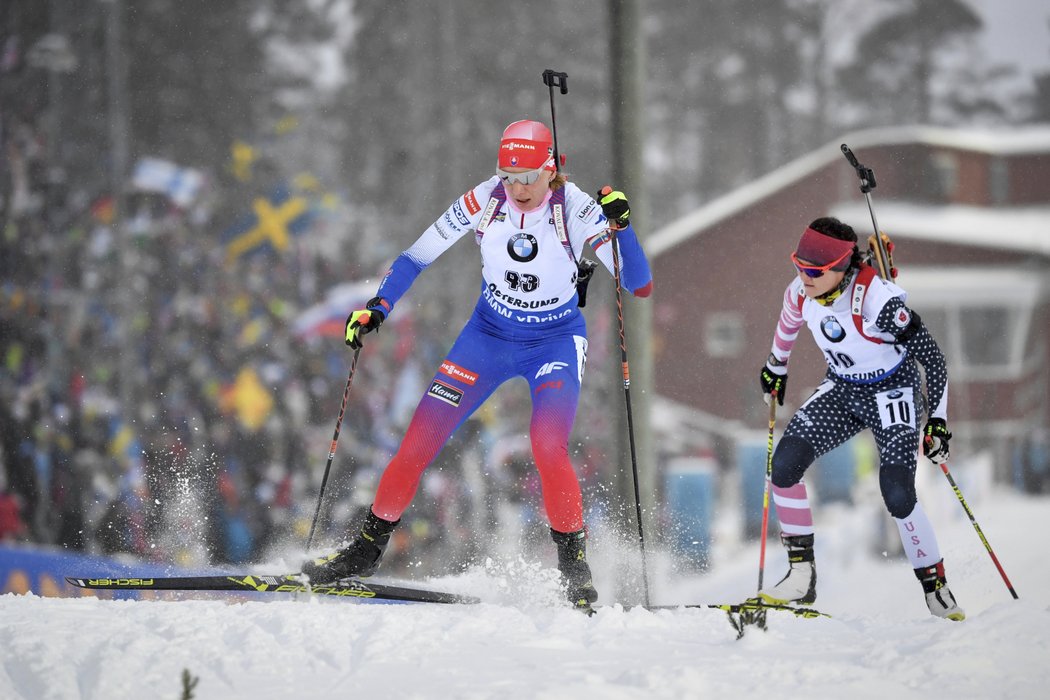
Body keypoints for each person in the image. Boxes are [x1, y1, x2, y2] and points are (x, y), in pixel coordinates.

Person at [302, 120, 653, 609]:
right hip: (487, 336)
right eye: (508, 175)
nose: (518, 188)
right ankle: (365, 550)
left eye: (528, 176)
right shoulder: (485, 199)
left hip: (552, 341)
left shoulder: (575, 209)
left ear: (550, 168)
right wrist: (378, 306)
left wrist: (622, 227)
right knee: (418, 442)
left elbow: (638, 283)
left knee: (547, 444)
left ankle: (574, 568)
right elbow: (416, 256)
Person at [757, 217, 963, 621]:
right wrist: (775, 367)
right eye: (799, 265)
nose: (804, 277)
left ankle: (935, 587)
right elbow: (787, 326)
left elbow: (934, 360)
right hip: (844, 390)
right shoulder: (801, 291)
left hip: (892, 392)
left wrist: (937, 422)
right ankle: (801, 576)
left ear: (841, 267)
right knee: (782, 466)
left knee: (897, 492)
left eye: (815, 271)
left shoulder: (876, 300)